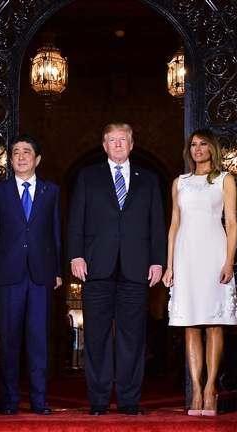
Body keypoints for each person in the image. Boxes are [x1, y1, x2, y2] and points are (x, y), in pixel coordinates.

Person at [67, 122, 166, 416]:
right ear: (104, 145)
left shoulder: (148, 179)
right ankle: (98, 400)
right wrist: (76, 256)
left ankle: (128, 401)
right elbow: (76, 221)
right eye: (112, 140)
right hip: (96, 266)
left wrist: (158, 260)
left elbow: (156, 223)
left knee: (132, 338)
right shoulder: (87, 176)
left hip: (136, 269)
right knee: (95, 336)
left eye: (123, 140)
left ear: (132, 145)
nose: (118, 144)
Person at [0, 134, 62, 416]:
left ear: (37, 159)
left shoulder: (51, 191)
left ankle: (39, 399)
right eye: (16, 152)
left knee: (38, 339)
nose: (21, 156)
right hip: (8, 274)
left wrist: (59, 271)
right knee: (9, 339)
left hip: (41, 274)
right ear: (11, 160)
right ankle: (10, 399)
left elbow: (56, 234)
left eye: (26, 152)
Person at [162, 128, 237, 416]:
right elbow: (174, 224)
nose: (197, 148)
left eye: (203, 144)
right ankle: (195, 388)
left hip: (214, 252)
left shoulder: (224, 179)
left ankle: (211, 389)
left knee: (213, 323)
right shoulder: (179, 182)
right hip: (185, 255)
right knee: (190, 323)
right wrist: (169, 265)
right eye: (193, 144)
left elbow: (231, 223)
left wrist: (229, 261)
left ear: (212, 148)